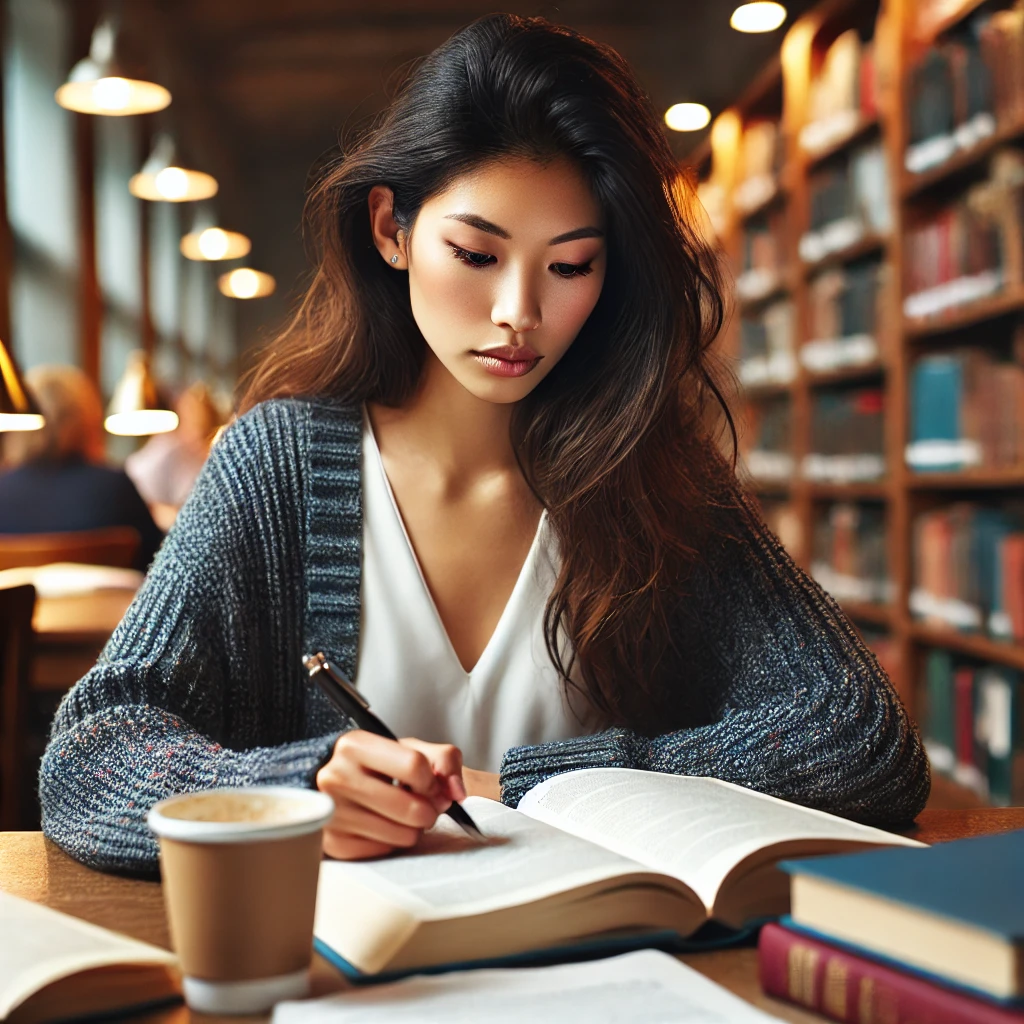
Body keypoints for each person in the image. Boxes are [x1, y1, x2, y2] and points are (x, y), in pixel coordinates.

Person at [40, 14, 928, 877]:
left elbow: (860, 732)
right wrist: (288, 794)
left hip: (607, 966)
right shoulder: (276, 466)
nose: (520, 314)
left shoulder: (650, 470)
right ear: (392, 231)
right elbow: (90, 754)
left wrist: (539, 787)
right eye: (475, 254)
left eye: (571, 265)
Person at [0, 365, 163, 571]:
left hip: (20, 604)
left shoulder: (2, 489)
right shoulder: (115, 488)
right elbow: (160, 564)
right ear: (87, 419)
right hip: (114, 604)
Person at [124, 381, 223, 530]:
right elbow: (131, 478)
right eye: (190, 410)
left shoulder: (216, 455)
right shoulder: (167, 447)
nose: (196, 417)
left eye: (200, 411)